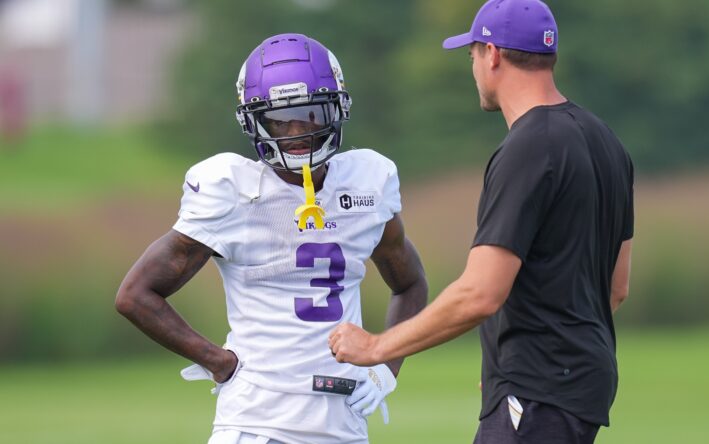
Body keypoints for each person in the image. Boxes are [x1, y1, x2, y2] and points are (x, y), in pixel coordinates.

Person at [328, 1, 634, 443]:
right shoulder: (608, 143)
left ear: (492, 55)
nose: (472, 66)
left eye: (470, 54)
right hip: (581, 388)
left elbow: (479, 294)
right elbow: (615, 287)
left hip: (539, 393)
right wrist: (513, 360)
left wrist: (376, 347)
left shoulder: (527, 147)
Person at [115, 33, 427, 444]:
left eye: (310, 114)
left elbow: (410, 283)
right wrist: (218, 362)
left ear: (336, 110)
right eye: (279, 119)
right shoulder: (232, 189)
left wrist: (385, 365)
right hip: (255, 424)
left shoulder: (369, 182)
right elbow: (136, 295)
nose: (296, 131)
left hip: (343, 425)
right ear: (253, 121)